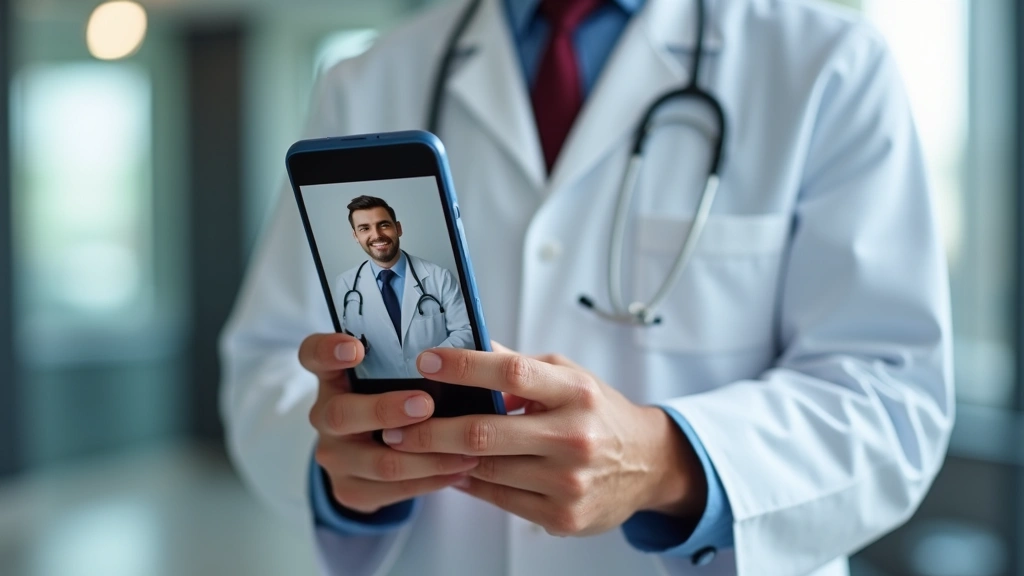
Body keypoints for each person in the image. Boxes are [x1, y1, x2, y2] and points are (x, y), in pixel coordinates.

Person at [219, 0, 954, 574]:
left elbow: (890, 394)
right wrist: (343, 470)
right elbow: (267, 364)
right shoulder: (368, 77)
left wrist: (668, 463)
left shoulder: (828, 64)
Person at [335, 195, 473, 379]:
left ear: (398, 228)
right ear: (356, 236)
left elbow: (465, 332)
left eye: (383, 225)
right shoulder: (344, 285)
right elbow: (340, 341)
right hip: (377, 390)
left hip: (436, 383)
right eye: (365, 228)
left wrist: (428, 363)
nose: (376, 235)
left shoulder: (439, 277)